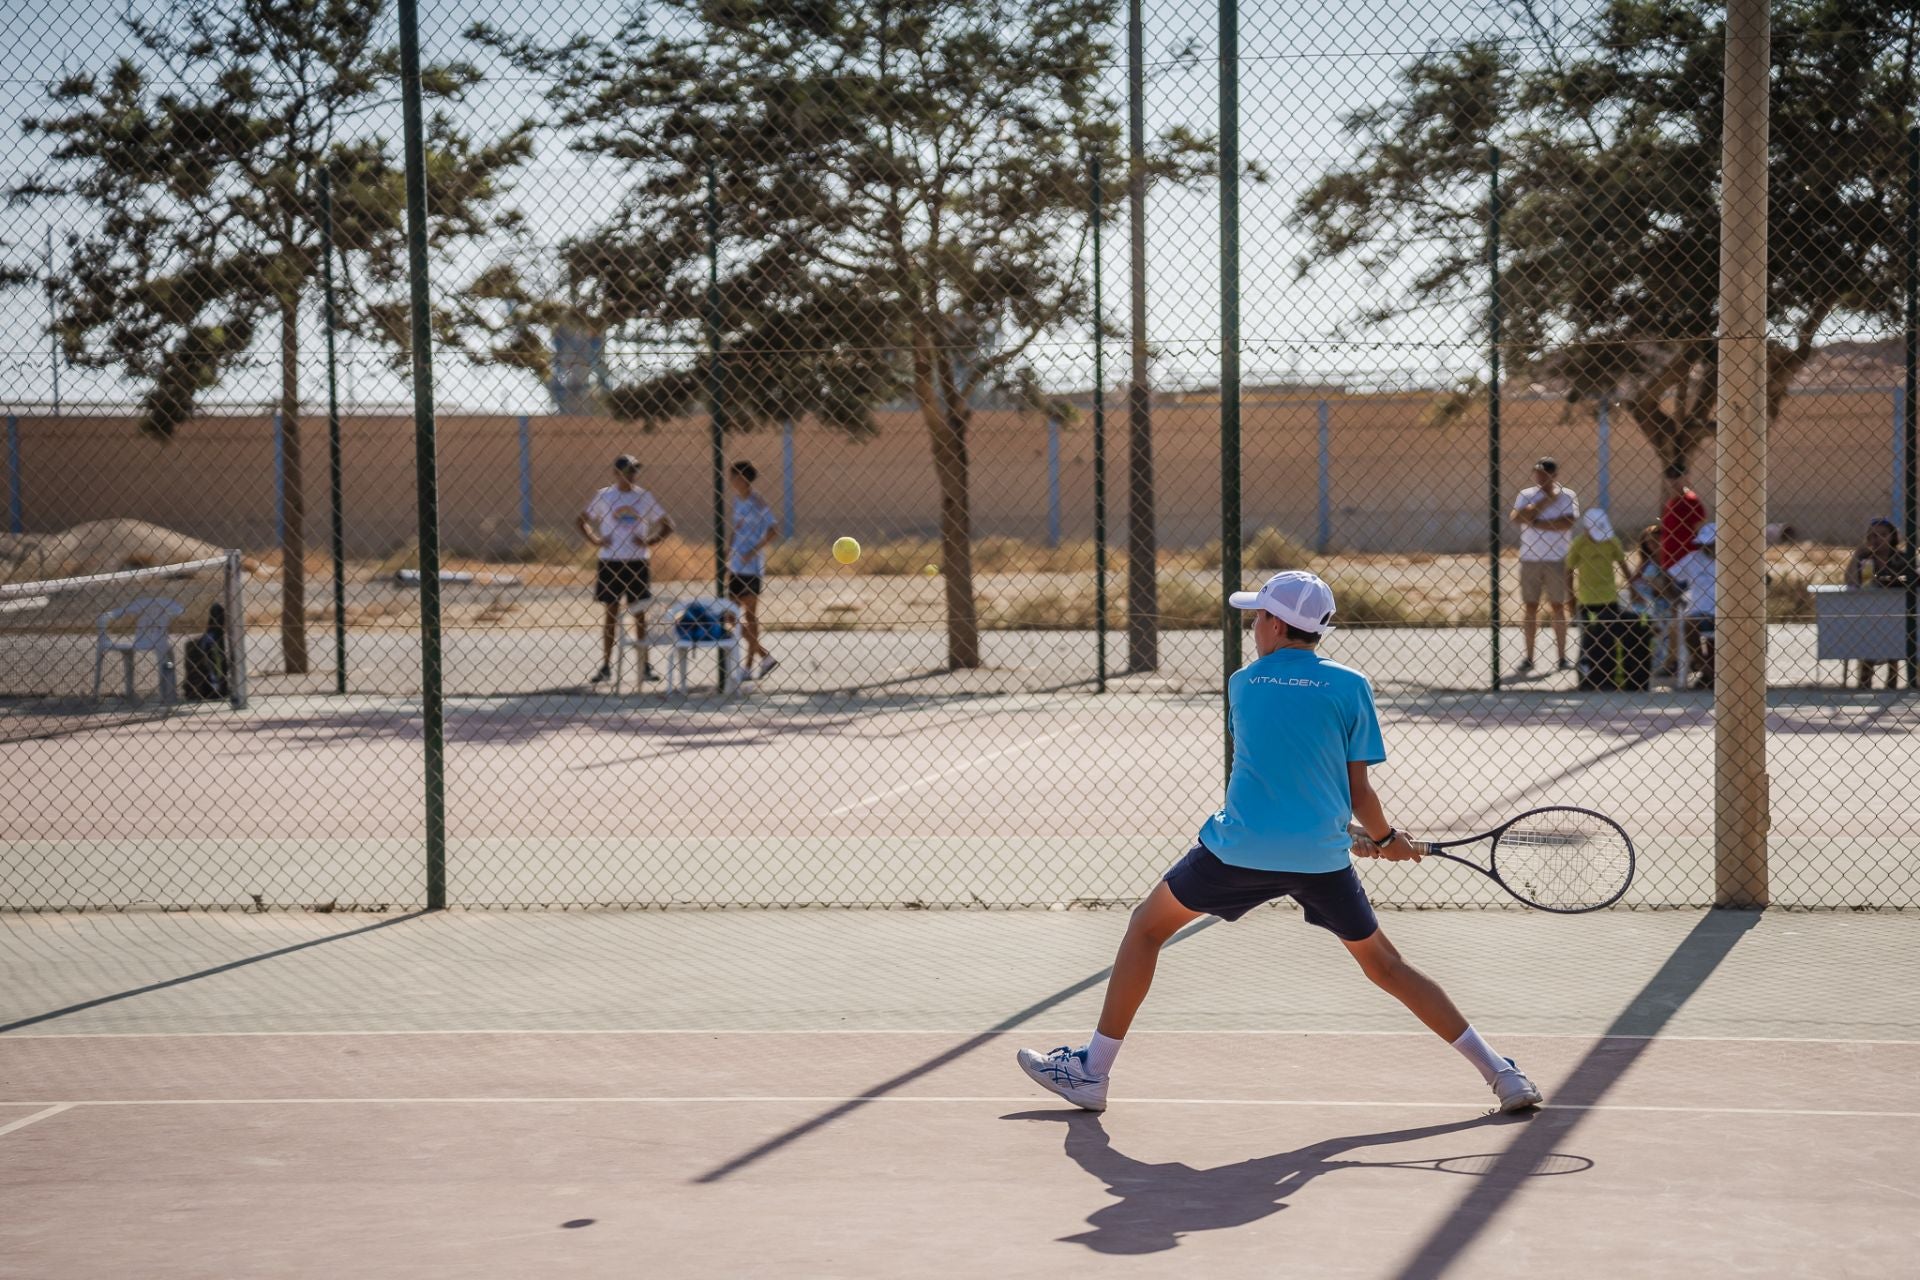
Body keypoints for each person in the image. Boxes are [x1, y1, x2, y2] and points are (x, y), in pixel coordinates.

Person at [1015, 570, 1544, 1117]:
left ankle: (1092, 1072)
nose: (1252, 627)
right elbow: (1353, 790)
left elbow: (1277, 779)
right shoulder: (1352, 686)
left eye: (1256, 617)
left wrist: (1368, 837)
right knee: (1387, 966)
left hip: (1236, 851)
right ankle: (1502, 1075)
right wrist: (1381, 838)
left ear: (1273, 623)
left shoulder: (1242, 684)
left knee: (1146, 929)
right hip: (1319, 858)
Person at [577, 454, 673, 685]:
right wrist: (595, 539)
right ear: (616, 473)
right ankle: (606, 665)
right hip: (611, 561)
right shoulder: (605, 496)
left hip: (637, 562)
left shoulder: (644, 497)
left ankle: (645, 665)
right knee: (611, 612)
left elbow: (667, 524)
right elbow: (581, 519)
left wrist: (650, 540)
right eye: (627, 470)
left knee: (639, 613)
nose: (631, 475)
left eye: (634, 471)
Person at [1509, 456, 1579, 673]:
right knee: (1530, 606)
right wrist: (1545, 501)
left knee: (1558, 606)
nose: (1540, 476)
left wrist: (1537, 523)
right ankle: (1529, 657)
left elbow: (1567, 522)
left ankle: (1562, 657)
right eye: (1537, 472)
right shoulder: (1527, 495)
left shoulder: (1568, 495)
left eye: (1545, 473)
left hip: (1557, 558)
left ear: (1554, 475)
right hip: (1530, 558)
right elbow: (1518, 517)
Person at [1843, 517, 1919, 689]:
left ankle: (1893, 677)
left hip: (1897, 612)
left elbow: (1909, 579)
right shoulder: (1865, 558)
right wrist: (1856, 556)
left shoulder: (1901, 558)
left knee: (1895, 633)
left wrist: (1886, 579)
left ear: (1892, 536)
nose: (1877, 539)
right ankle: (1865, 678)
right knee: (1868, 634)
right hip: (1869, 612)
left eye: (1882, 535)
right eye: (1872, 536)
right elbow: (1850, 580)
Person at [725, 460, 780, 679]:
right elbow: (736, 529)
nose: (731, 481)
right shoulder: (738, 501)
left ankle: (748, 666)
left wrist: (754, 550)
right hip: (736, 566)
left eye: (734, 476)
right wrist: (729, 550)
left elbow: (773, 529)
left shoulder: (758, 502)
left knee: (750, 616)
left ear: (743, 478)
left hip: (752, 568)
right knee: (729, 615)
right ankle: (764, 655)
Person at [1566, 509, 1632, 690]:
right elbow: (1569, 571)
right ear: (1586, 528)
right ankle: (1586, 679)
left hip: (1609, 598)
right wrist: (1570, 597)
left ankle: (1607, 678)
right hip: (1587, 600)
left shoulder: (1612, 542)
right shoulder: (1578, 544)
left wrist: (1634, 588)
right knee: (1588, 639)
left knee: (1608, 640)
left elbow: (1623, 565)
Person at [1669, 523, 1718, 689]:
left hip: (1729, 611)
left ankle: (1714, 673)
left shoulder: (1734, 559)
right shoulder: (1693, 558)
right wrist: (1676, 598)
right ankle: (1707, 671)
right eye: (1705, 544)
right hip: (1701, 611)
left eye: (1712, 544)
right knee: (1688, 625)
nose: (1708, 548)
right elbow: (1670, 576)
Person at [1658, 463, 1708, 571]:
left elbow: (1701, 531)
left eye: (1678, 477)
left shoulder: (1691, 501)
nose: (1674, 481)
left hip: (1687, 563)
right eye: (1670, 478)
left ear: (1686, 478)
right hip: (1670, 563)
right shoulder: (1670, 503)